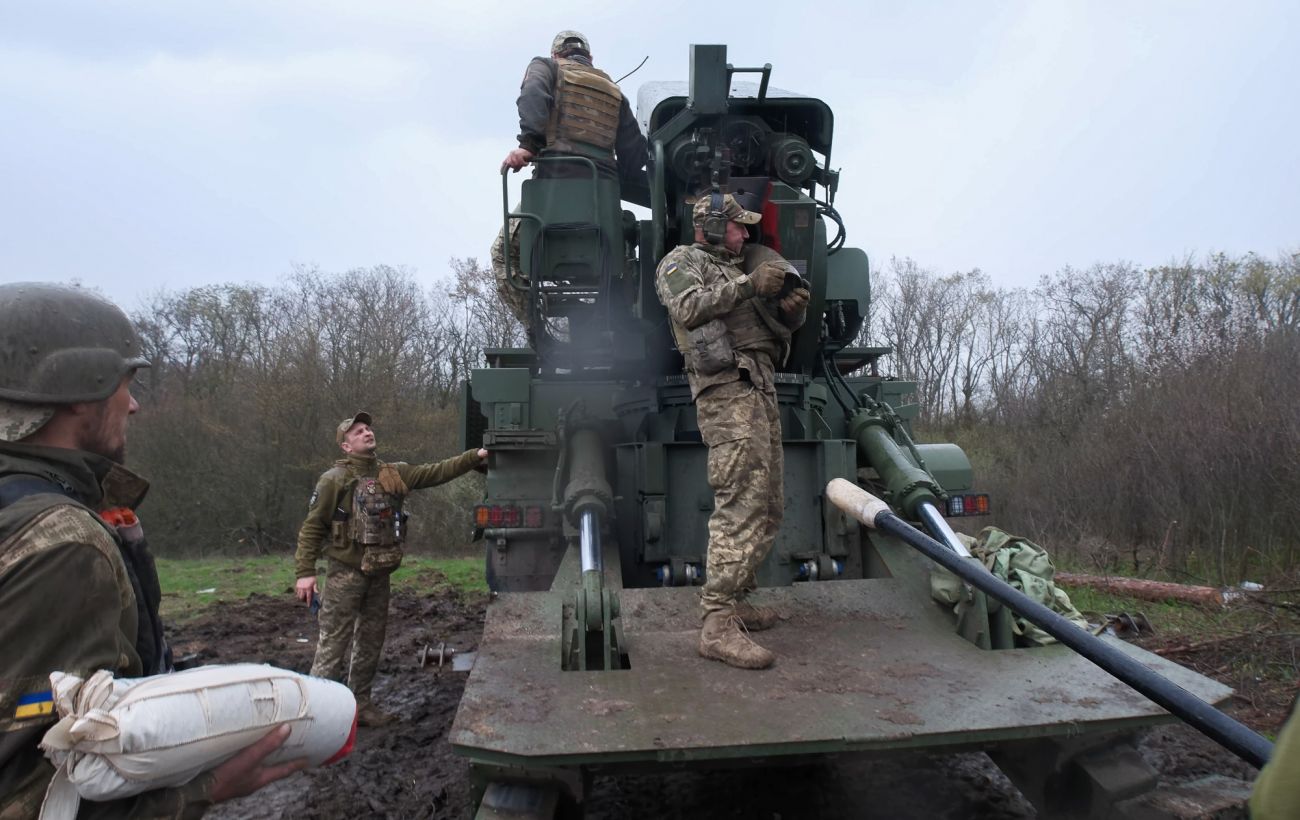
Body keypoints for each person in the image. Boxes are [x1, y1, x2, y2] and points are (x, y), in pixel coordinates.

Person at [0, 282, 304, 819]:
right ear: (80, 389)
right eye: (127, 383)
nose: (135, 405)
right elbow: (40, 793)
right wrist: (203, 790)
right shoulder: (64, 544)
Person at [654, 195, 810, 670]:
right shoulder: (680, 262)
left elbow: (767, 325)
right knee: (739, 501)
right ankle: (717, 624)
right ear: (713, 227)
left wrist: (790, 309)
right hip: (725, 392)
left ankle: (737, 600)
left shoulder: (738, 268)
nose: (746, 234)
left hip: (758, 386)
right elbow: (688, 308)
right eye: (739, 227)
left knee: (768, 504)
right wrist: (749, 285)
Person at [294, 414, 487, 726]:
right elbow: (313, 527)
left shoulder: (393, 473)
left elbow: (437, 471)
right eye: (358, 431)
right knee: (333, 643)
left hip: (379, 573)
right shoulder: (334, 480)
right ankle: (317, 717)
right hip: (345, 572)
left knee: (370, 642)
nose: (366, 432)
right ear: (346, 446)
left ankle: (360, 705)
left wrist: (475, 456)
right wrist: (305, 572)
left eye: (367, 428)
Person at [492, 30, 651, 328]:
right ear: (590, 58)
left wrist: (528, 145)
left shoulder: (545, 67)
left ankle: (535, 328)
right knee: (627, 254)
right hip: (601, 211)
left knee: (502, 256)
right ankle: (619, 325)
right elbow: (634, 158)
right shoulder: (615, 93)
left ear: (556, 54)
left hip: (548, 205)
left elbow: (533, 95)